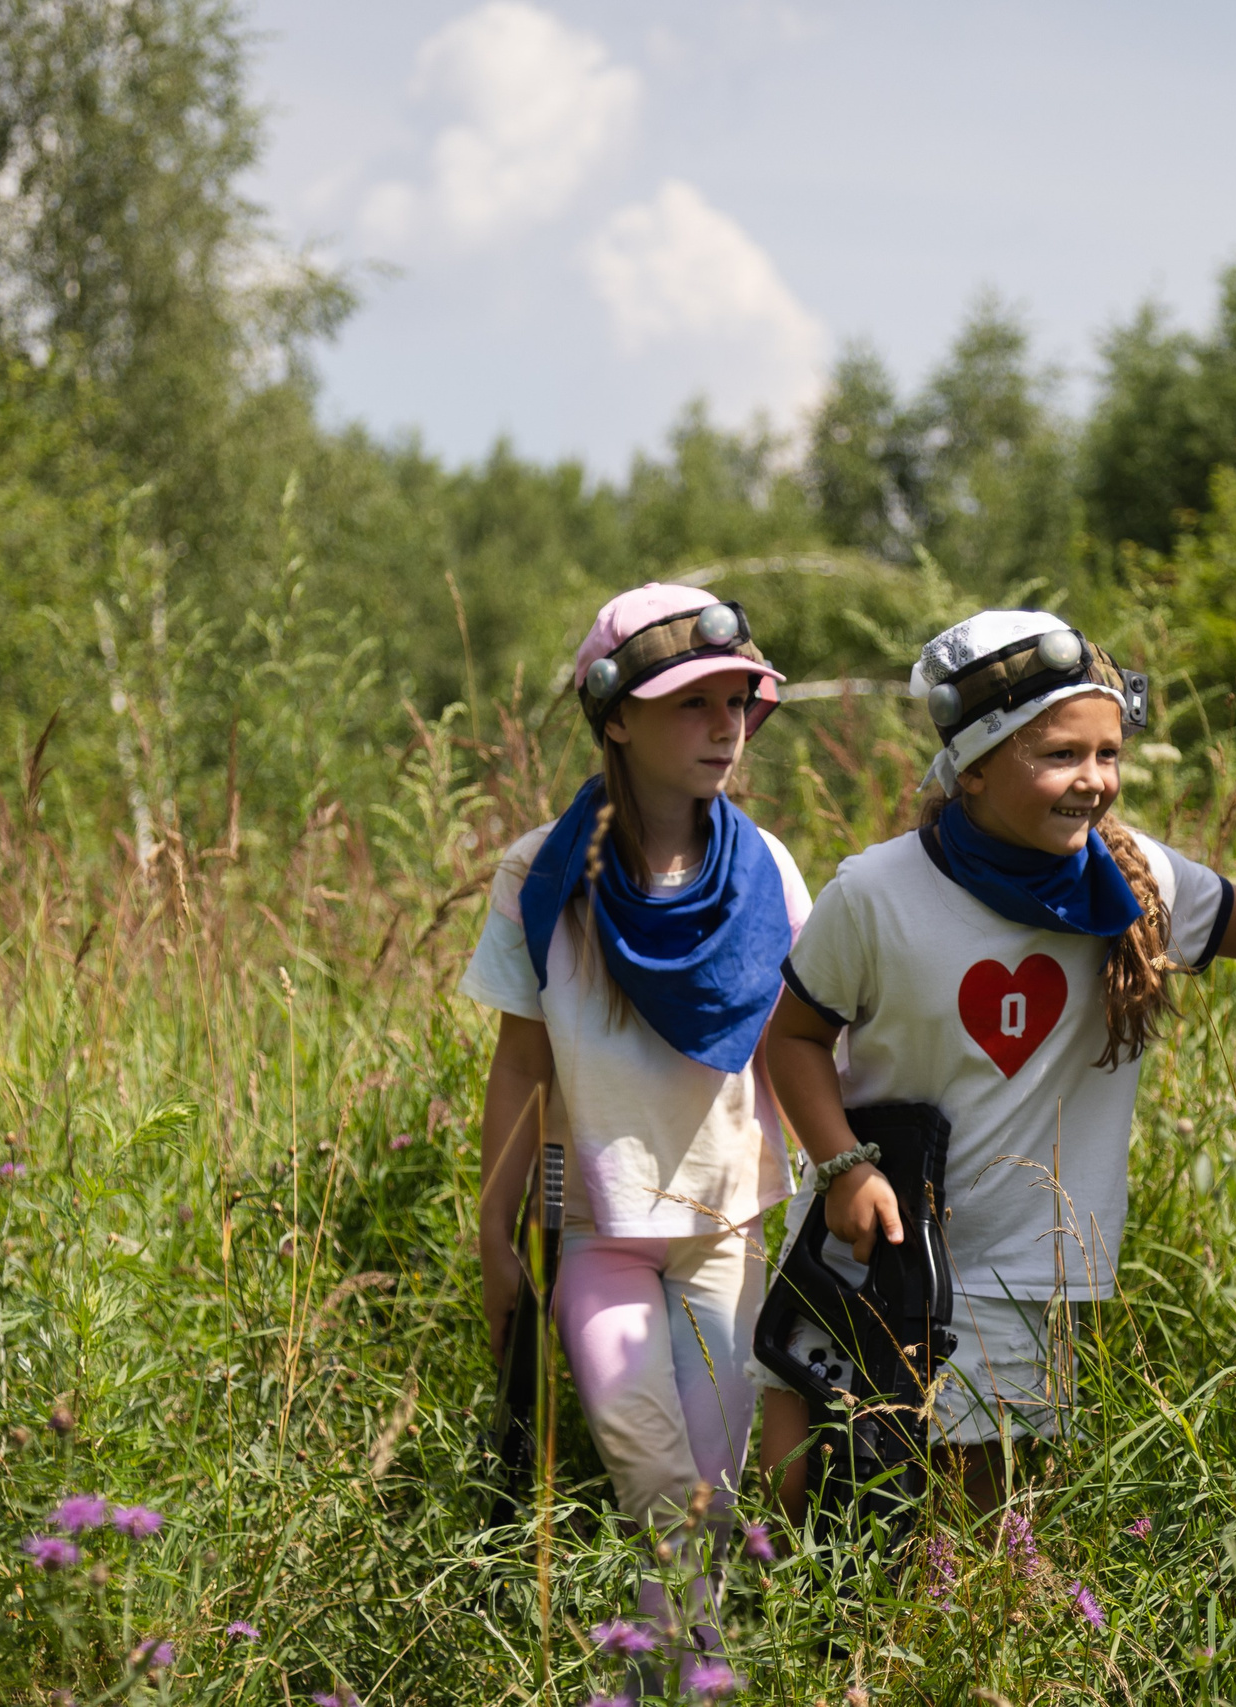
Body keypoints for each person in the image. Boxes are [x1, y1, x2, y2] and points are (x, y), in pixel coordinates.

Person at [756, 609, 1236, 1511]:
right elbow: (796, 1038)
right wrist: (843, 1166)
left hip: (1019, 1265)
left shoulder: (1128, 883)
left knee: (969, 1524)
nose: (1094, 781)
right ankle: (787, 1649)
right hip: (862, 1244)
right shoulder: (876, 894)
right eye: (1059, 755)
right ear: (972, 766)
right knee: (798, 1489)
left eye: (1109, 754)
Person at [460, 583, 811, 1663]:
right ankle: (704, 1665)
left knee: (705, 1479)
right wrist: (492, 1230)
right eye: (690, 704)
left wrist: (838, 1179)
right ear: (615, 715)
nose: (724, 728)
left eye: (737, 702)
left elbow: (796, 1044)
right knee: (645, 1457)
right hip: (595, 1227)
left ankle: (683, 1669)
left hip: (724, 1222)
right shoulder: (540, 878)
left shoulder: (765, 874)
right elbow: (520, 1059)